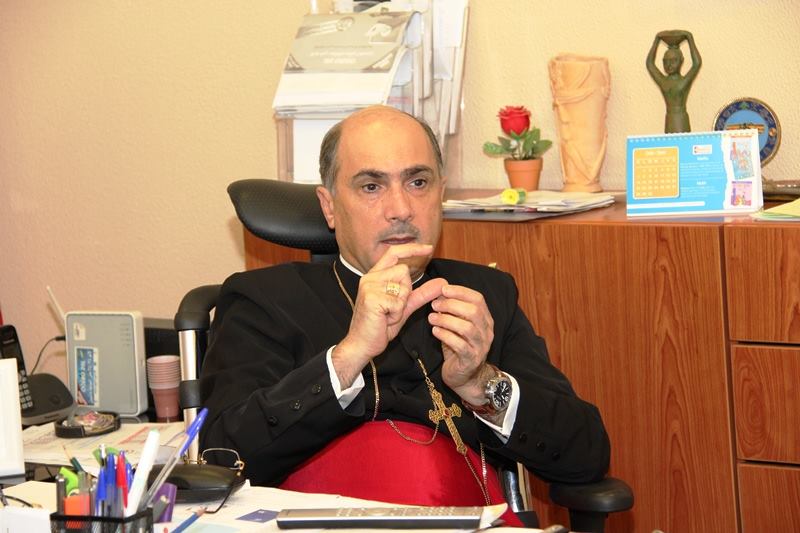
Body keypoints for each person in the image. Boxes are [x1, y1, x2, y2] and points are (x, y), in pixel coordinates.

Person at [199, 106, 609, 511]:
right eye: (371, 186)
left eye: (417, 182)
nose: (400, 208)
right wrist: (348, 358)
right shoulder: (264, 299)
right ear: (329, 206)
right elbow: (221, 460)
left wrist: (481, 383)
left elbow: (585, 456)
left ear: (440, 193)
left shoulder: (486, 294)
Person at [646, 30, 702, 133]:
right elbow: (650, 64)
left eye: (673, 61)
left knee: (682, 142)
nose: (669, 65)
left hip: (681, 121)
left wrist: (690, 38)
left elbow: (697, 63)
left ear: (681, 61)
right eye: (665, 62)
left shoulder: (683, 81)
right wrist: (656, 40)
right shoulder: (663, 81)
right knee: (670, 143)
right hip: (669, 120)